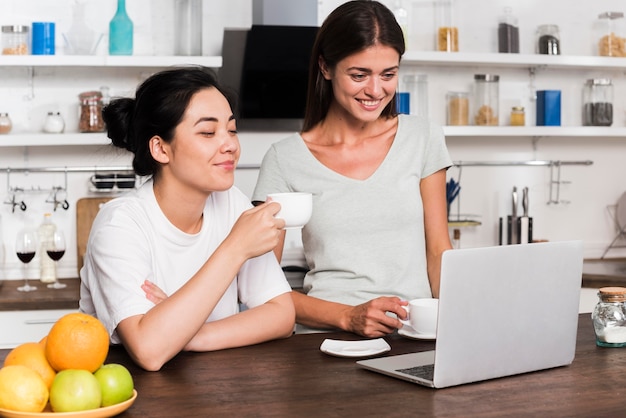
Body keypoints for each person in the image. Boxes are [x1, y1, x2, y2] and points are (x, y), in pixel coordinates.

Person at [252, 0, 453, 338]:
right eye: (359, 75)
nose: (375, 91)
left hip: (411, 338)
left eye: (388, 75)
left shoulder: (423, 138)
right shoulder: (285, 159)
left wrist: (457, 321)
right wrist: (348, 316)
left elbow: (438, 252)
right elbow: (262, 288)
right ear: (326, 68)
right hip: (325, 342)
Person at [80, 67, 295, 371]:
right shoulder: (121, 225)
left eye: (231, 130)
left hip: (215, 391)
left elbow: (281, 315)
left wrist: (187, 334)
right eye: (208, 132)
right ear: (160, 148)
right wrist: (235, 248)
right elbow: (150, 351)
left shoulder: (230, 202)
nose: (231, 145)